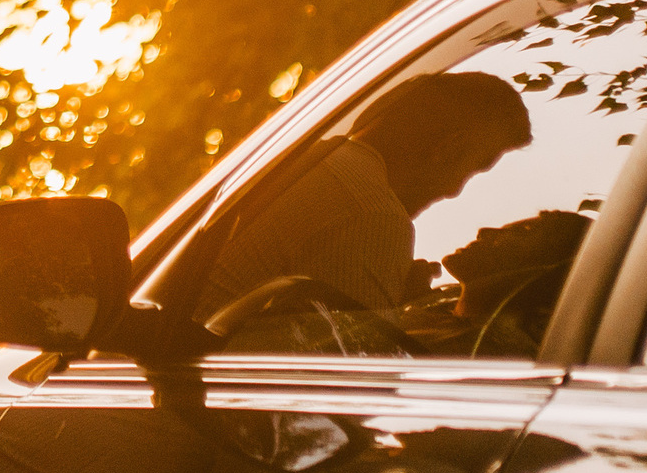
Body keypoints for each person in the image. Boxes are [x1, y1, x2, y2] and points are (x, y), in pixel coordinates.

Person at [197, 71, 532, 319]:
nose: (453, 191)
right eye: (472, 169)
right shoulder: (372, 214)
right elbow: (359, 380)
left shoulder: (313, 160)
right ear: (446, 150)